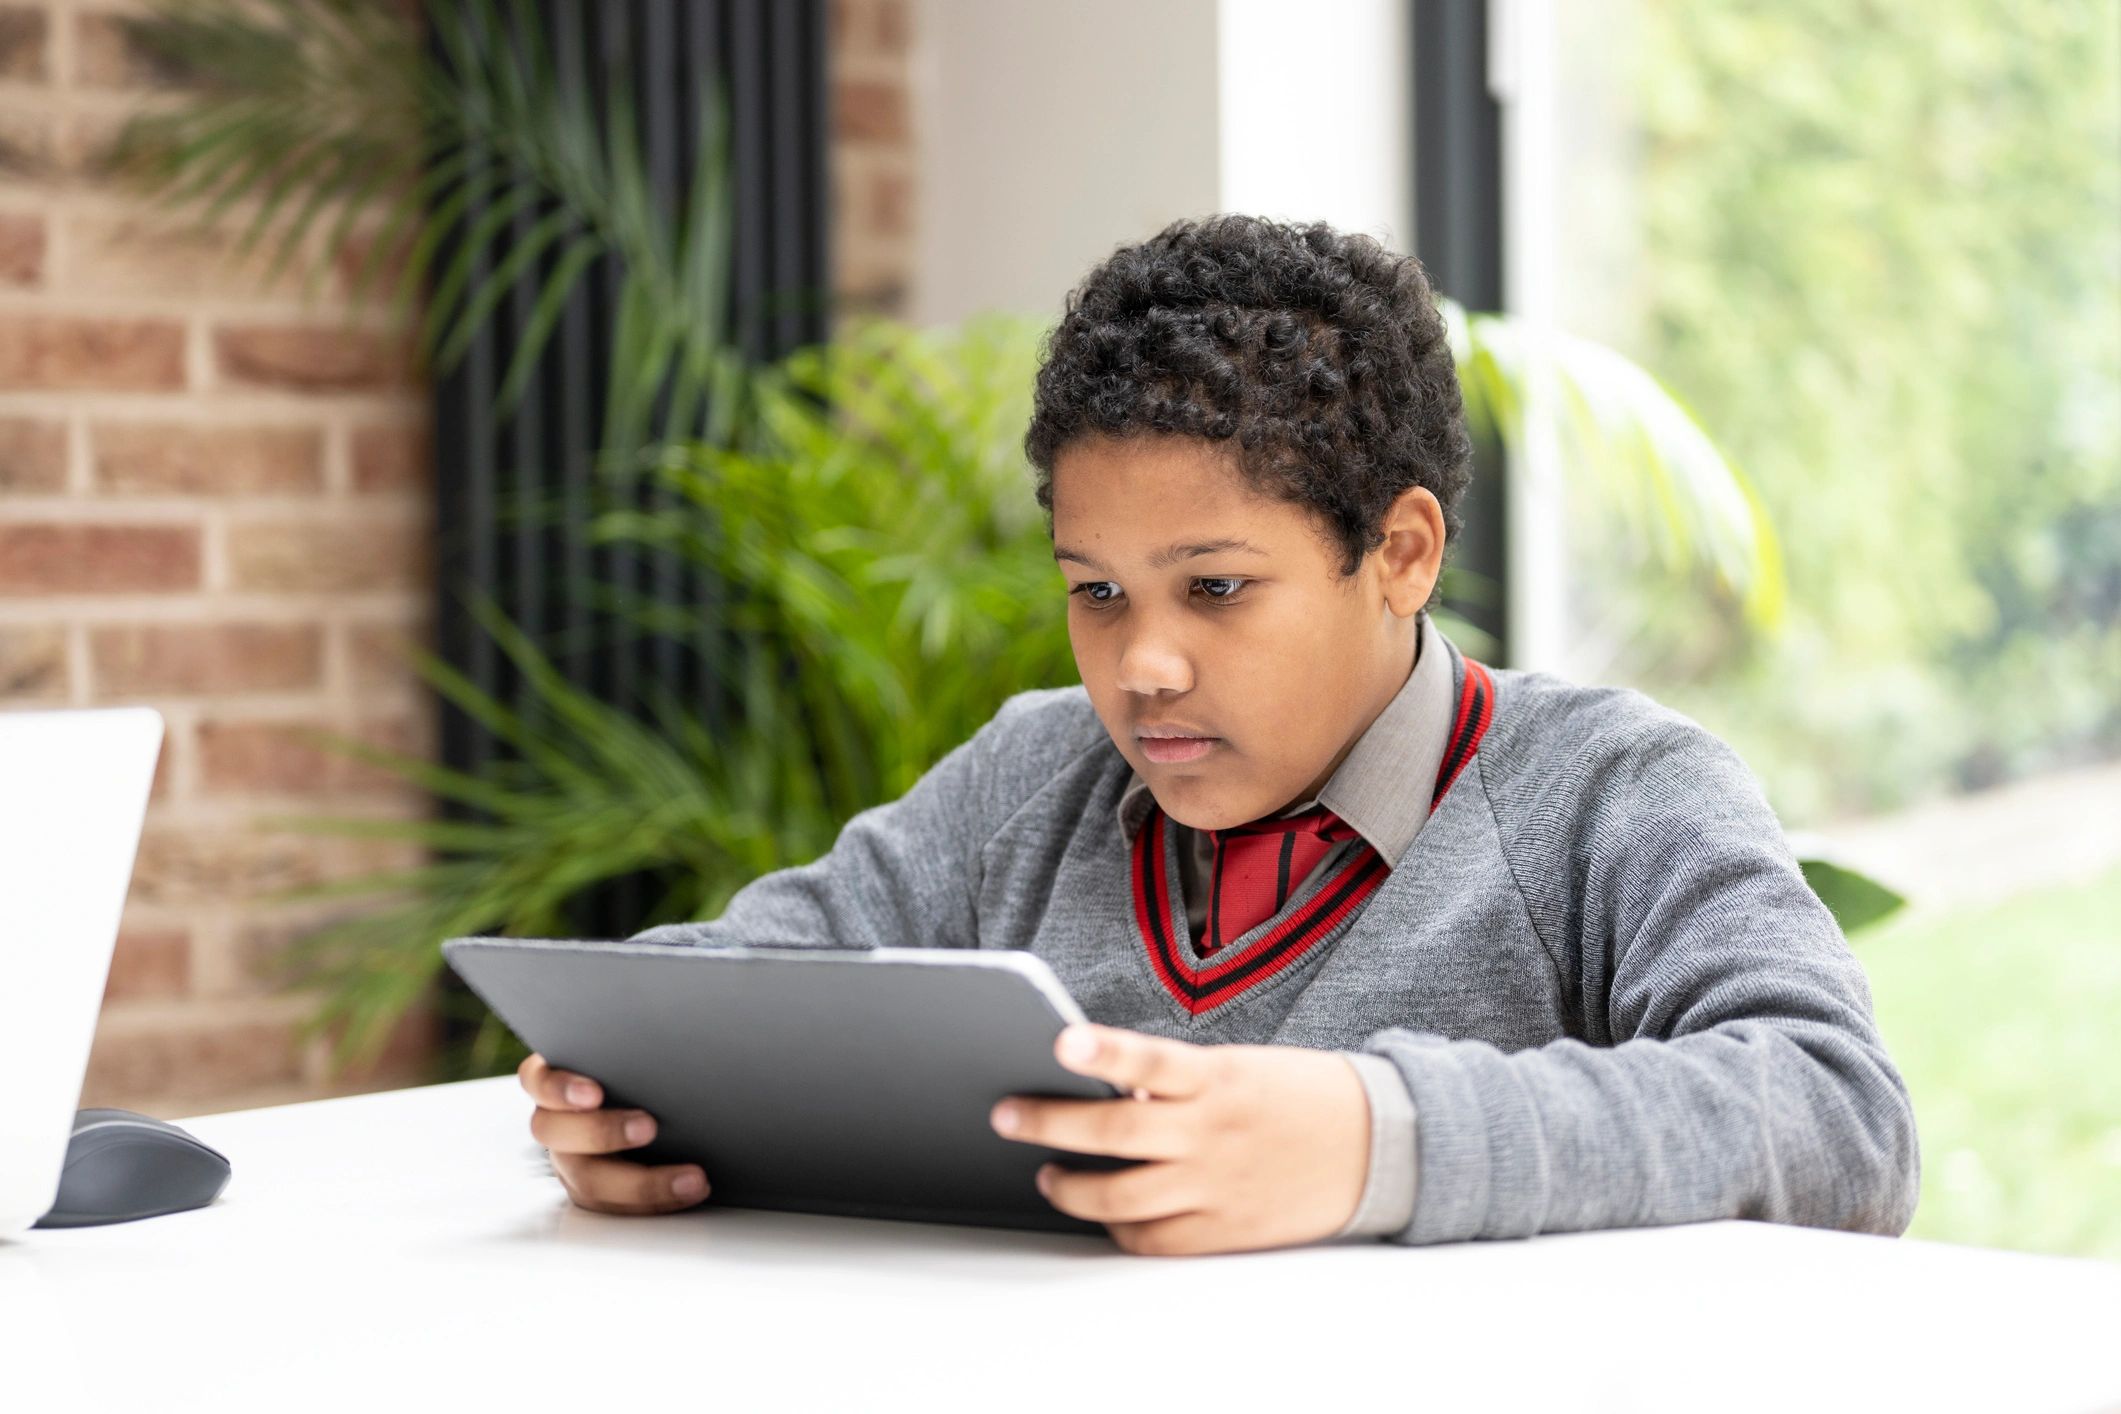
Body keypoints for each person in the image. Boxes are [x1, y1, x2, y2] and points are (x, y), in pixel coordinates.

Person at [517, 214, 1921, 1256]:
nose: (1143, 664)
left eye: (1217, 588)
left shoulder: (1610, 791)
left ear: (1402, 551)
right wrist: (622, 1101)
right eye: (1095, 593)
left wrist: (1371, 1139)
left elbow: (1837, 1114)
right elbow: (720, 977)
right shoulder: (1032, 770)